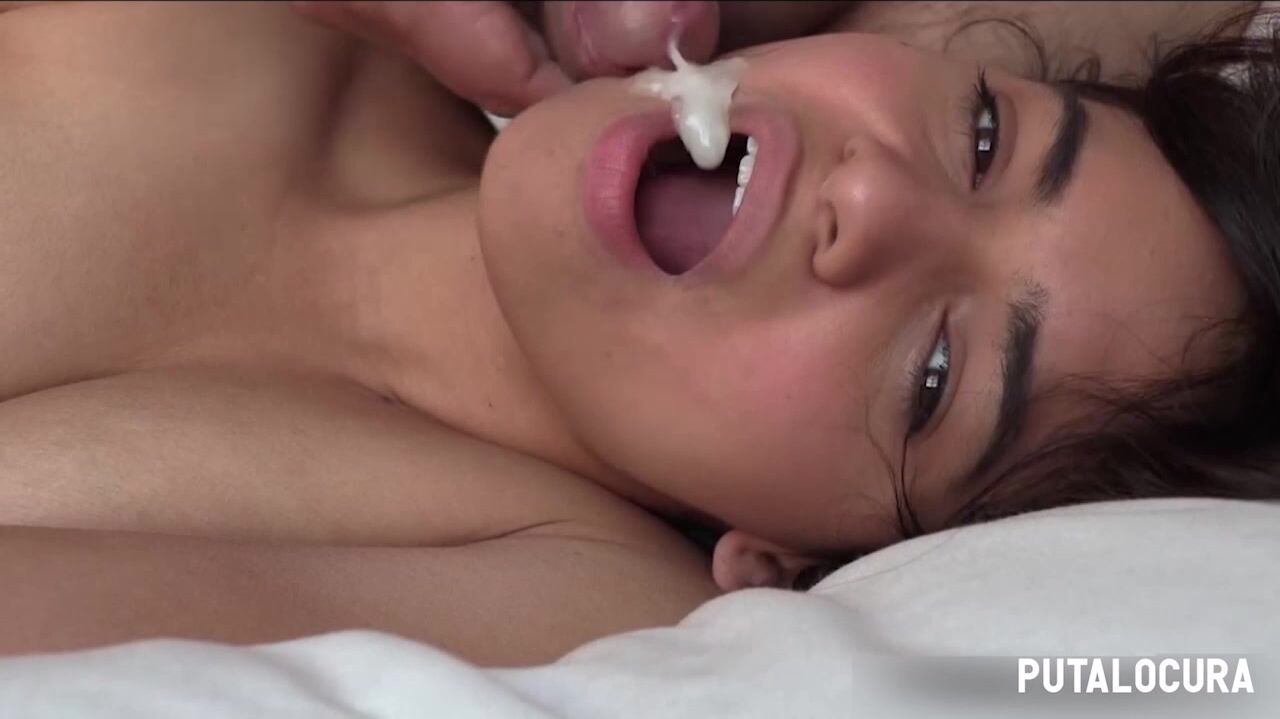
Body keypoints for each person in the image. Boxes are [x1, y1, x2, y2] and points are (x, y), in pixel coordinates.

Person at [0, 0, 1272, 666]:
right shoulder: (287, 26)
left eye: (935, 377)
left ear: (780, 562)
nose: (876, 199)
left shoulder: (567, 587)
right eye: (985, 137)